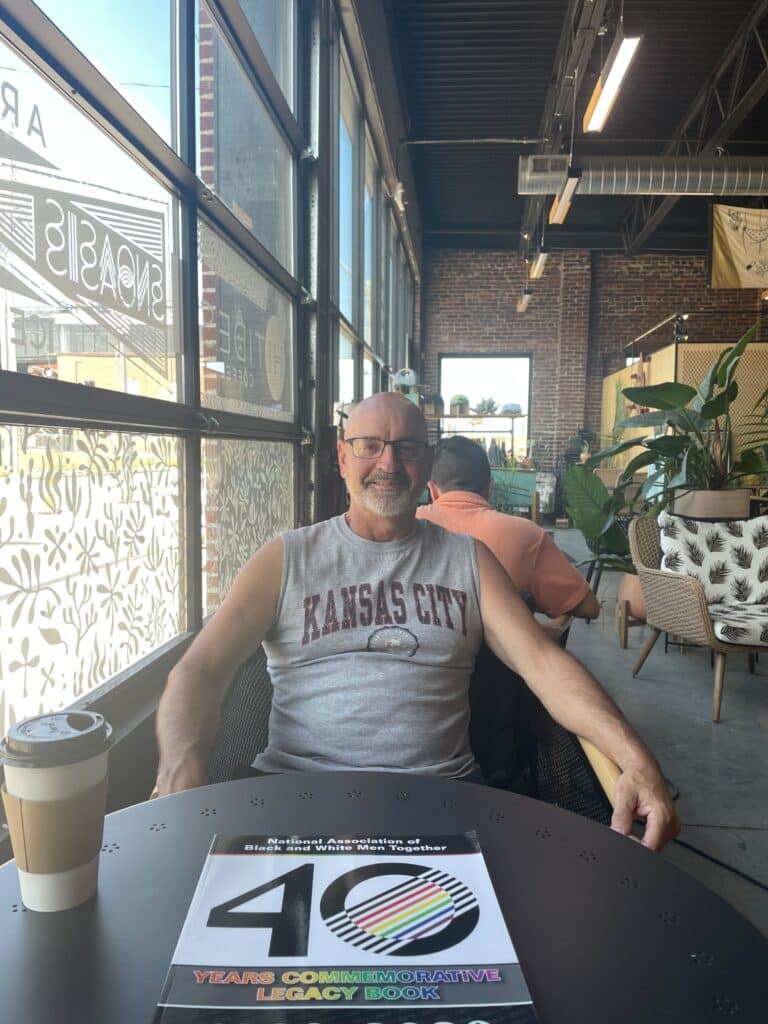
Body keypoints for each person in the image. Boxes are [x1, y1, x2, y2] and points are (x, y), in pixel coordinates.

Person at [155, 393, 678, 849]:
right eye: (370, 445)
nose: (389, 462)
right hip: (296, 799)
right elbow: (198, 670)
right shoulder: (286, 559)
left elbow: (544, 666)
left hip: (441, 806)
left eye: (407, 447)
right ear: (342, 456)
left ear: (427, 465)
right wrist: (179, 765)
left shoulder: (468, 560)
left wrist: (635, 759)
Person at [416, 435, 600, 624]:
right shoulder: (526, 535)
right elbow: (589, 607)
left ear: (432, 490)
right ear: (490, 487)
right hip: (504, 652)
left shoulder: (404, 529)